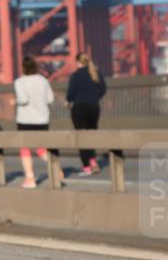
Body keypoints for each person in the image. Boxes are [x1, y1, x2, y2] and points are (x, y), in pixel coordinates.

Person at [14, 56, 62, 188]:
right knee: (41, 148)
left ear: (23, 67)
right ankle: (55, 167)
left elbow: (23, 100)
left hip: (25, 119)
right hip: (42, 119)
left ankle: (30, 179)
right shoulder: (43, 80)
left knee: (25, 148)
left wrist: (15, 101)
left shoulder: (19, 81)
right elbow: (50, 99)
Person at [66, 52, 107, 176]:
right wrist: (95, 98)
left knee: (82, 137)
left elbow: (70, 94)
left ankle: (87, 167)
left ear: (78, 62)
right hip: (94, 107)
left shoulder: (75, 75)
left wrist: (68, 101)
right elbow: (103, 89)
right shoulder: (96, 73)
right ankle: (93, 161)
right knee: (91, 135)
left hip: (79, 108)